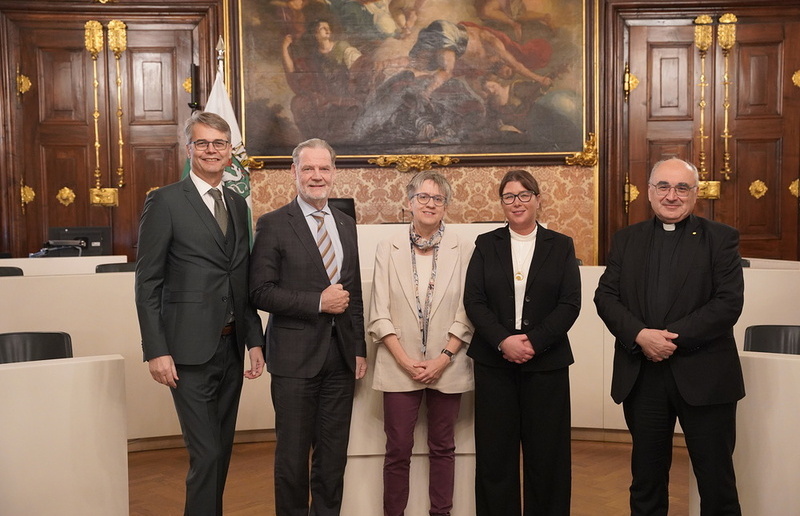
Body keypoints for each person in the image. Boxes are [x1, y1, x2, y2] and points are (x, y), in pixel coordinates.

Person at [594, 157, 746, 516]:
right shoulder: (626, 239)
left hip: (705, 379)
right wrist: (640, 335)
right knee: (645, 482)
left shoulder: (721, 239)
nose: (672, 195)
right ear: (649, 192)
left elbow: (727, 304)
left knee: (716, 482)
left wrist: (667, 340)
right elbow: (605, 296)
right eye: (663, 186)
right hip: (643, 379)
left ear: (695, 195)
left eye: (682, 188)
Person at [134, 111, 265, 516]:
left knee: (222, 452)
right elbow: (148, 282)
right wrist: (156, 350)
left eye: (220, 144)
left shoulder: (237, 201)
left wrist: (255, 339)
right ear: (189, 150)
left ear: (230, 153)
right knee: (206, 454)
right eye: (203, 143)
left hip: (231, 347)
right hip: (186, 352)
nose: (212, 150)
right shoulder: (165, 201)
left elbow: (239, 276)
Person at [249, 138, 367, 516]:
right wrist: (318, 302)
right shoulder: (272, 224)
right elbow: (260, 292)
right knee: (292, 459)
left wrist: (360, 346)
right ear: (294, 172)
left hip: (341, 360)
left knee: (333, 460)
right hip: (294, 360)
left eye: (324, 168)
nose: (317, 176)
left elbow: (355, 293)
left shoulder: (346, 224)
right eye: (308, 168)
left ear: (334, 172)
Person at [464, 169, 580, 516]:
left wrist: (533, 341)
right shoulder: (486, 244)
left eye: (524, 195)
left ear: (538, 199)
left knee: (548, 456)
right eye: (509, 197)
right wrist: (504, 341)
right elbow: (474, 300)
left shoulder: (560, 245)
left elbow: (570, 303)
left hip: (547, 365)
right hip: (494, 364)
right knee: (495, 456)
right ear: (501, 203)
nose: (517, 203)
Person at [368, 171, 474, 516]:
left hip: (449, 364)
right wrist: (405, 360)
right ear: (409, 203)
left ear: (446, 206)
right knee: (397, 448)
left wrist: (442, 358)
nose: (430, 204)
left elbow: (468, 311)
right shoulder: (388, 247)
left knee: (443, 447)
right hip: (399, 364)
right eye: (423, 197)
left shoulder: (464, 248)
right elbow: (378, 312)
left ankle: (440, 513)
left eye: (438, 198)